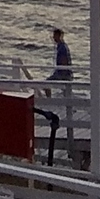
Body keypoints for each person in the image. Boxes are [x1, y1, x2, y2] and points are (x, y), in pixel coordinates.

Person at [45, 27, 73, 166]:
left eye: (55, 35)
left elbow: (63, 61)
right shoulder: (62, 46)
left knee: (46, 84)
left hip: (63, 73)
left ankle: (50, 103)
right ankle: (67, 105)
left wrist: (61, 70)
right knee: (65, 91)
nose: (53, 38)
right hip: (65, 73)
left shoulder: (61, 47)